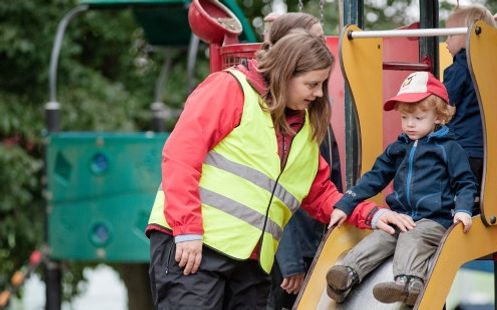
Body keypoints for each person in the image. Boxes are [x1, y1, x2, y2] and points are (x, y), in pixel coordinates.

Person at [146, 30, 414, 309]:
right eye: (312, 84)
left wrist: (370, 214)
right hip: (196, 247)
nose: (319, 93)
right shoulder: (230, 89)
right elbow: (180, 157)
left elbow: (320, 194)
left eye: (322, 84)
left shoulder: (304, 128)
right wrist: (187, 231)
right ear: (285, 73)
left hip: (251, 262)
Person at [324, 71, 477, 306]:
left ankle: (409, 284)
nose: (410, 124)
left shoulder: (449, 148)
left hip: (434, 221)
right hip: (403, 217)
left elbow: (465, 182)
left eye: (418, 117)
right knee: (381, 236)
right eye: (405, 117)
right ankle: (346, 275)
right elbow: (375, 177)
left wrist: (464, 209)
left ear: (438, 116)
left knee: (412, 236)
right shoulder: (399, 147)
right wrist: (347, 201)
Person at [259, 12, 342, 310]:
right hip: (291, 249)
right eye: (315, 39)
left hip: (312, 236)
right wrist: (291, 258)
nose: (323, 45)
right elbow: (281, 190)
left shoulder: (307, 106)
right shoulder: (284, 114)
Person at [444, 4, 496, 186]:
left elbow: (445, 106)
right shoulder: (494, 66)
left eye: (451, 35)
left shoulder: (458, 68)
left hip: (461, 148)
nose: (446, 42)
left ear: (470, 36)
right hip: (489, 150)